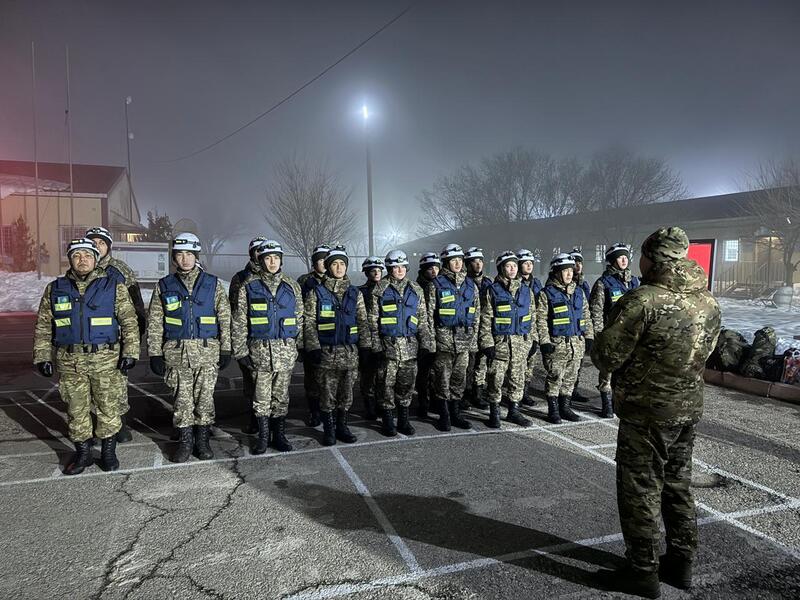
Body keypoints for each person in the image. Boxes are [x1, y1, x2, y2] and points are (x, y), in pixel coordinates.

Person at [592, 227, 721, 598]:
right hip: (687, 410)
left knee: (641, 490)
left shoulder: (643, 301)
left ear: (653, 258)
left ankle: (642, 571)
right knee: (677, 485)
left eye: (643, 256)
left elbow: (606, 356)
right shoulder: (708, 301)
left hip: (647, 413)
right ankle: (681, 562)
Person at [32, 238, 139, 474]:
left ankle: (109, 453)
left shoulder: (113, 286)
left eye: (88, 256)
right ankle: (83, 454)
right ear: (70, 259)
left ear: (96, 259)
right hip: (70, 361)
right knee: (76, 409)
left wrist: (130, 352)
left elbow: (129, 322)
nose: (83, 260)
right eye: (77, 256)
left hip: (105, 360)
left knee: (107, 407)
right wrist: (42, 356)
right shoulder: (56, 289)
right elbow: (43, 326)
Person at [147, 233, 232, 463]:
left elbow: (224, 318)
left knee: (205, 399)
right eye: (180, 254)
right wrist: (154, 352)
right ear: (174, 257)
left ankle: (202, 441)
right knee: (182, 401)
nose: (185, 259)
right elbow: (155, 321)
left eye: (189, 254)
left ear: (196, 256)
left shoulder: (212, 284)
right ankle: (185, 442)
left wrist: (226, 348)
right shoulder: (165, 286)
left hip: (207, 353)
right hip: (177, 354)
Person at [232, 240, 303, 454]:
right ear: (260, 260)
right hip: (259, 353)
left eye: (276, 258)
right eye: (268, 258)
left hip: (284, 353)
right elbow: (239, 321)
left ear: (281, 260)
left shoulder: (292, 286)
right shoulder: (249, 286)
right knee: (261, 399)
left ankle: (279, 436)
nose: (272, 262)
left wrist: (295, 345)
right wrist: (241, 351)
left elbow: (300, 317)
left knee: (281, 397)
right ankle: (263, 438)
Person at [304, 246, 370, 446]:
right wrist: (313, 347)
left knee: (346, 395)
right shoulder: (317, 292)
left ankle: (342, 427)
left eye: (342, 264)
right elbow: (308, 322)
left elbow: (362, 321)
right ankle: (329, 430)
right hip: (327, 354)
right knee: (327, 395)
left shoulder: (354, 293)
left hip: (350, 354)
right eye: (335, 264)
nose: (339, 267)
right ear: (328, 267)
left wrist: (366, 346)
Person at [85, 226, 146, 443]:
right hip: (89, 339)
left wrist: (133, 342)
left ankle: (120, 424)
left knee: (118, 384)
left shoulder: (120, 270)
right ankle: (97, 424)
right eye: (92, 242)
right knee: (90, 386)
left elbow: (137, 307)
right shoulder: (81, 268)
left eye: (101, 243)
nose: (96, 246)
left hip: (115, 339)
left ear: (108, 246)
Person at [368, 250, 433, 436]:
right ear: (389, 268)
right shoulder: (379, 289)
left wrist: (426, 344)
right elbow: (372, 320)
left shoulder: (415, 289)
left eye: (402, 266)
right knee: (386, 385)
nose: (399, 270)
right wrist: (376, 346)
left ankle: (403, 420)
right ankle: (388, 421)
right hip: (388, 348)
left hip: (411, 347)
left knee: (406, 386)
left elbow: (422, 319)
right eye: (395, 267)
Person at [479, 251, 536, 428]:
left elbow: (532, 317)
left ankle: (514, 412)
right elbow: (485, 319)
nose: (512, 269)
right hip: (500, 344)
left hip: (521, 343)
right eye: (508, 266)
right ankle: (494, 413)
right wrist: (487, 343)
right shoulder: (492, 291)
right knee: (495, 379)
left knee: (517, 379)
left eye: (514, 265)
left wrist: (534, 339)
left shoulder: (526, 291)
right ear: (501, 268)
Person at [426, 244, 480, 431]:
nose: (457, 263)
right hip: (444, 341)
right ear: (446, 263)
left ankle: (456, 414)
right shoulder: (437, 285)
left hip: (464, 341)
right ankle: (444, 415)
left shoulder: (470, 285)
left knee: (459, 379)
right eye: (453, 260)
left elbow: (477, 315)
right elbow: (428, 315)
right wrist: (431, 342)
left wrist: (473, 341)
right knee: (442, 379)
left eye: (459, 260)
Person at [536, 253, 594, 424]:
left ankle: (565, 408)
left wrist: (589, 337)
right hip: (557, 345)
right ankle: (553, 411)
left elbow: (586, 315)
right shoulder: (546, 294)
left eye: (570, 270)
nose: (569, 273)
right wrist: (545, 341)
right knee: (555, 378)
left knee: (570, 379)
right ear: (556, 272)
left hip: (576, 344)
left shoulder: (579, 293)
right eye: (565, 271)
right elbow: (540, 321)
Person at [590, 242, 640, 418]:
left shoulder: (635, 281)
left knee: (631, 371)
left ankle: (624, 403)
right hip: (612, 335)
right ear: (612, 260)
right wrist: (599, 335)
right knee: (608, 372)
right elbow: (596, 311)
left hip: (633, 335)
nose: (624, 259)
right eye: (620, 256)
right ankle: (607, 404)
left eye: (626, 256)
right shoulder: (603, 283)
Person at [228, 236, 268, 434]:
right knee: (252, 381)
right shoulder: (241, 278)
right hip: (250, 339)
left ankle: (269, 420)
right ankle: (254, 417)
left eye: (264, 250)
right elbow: (236, 311)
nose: (262, 254)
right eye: (258, 251)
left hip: (269, 339)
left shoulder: (275, 275)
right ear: (252, 254)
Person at [297, 244, 330, 427]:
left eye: (327, 260)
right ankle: (314, 411)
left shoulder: (335, 280)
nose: (324, 264)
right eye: (320, 260)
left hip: (330, 336)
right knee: (312, 378)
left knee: (329, 378)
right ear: (314, 262)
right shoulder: (304, 281)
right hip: (312, 334)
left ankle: (328, 410)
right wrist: (302, 343)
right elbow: (299, 312)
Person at [464, 247, 492, 410]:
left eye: (480, 261)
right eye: (474, 261)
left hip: (485, 328)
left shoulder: (489, 282)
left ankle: (478, 394)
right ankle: (466, 394)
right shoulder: (463, 283)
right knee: (468, 364)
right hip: (470, 329)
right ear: (468, 264)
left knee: (481, 363)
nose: (478, 264)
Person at [414, 252, 441, 418]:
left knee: (436, 372)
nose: (434, 271)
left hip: (439, 334)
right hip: (422, 336)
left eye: (436, 268)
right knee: (423, 373)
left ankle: (435, 401)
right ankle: (423, 402)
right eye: (430, 268)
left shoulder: (442, 286)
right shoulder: (417, 288)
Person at [358, 256, 384, 420]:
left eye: (379, 270)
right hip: (366, 339)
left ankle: (381, 403)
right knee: (368, 374)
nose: (376, 273)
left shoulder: (388, 290)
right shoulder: (360, 291)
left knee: (383, 375)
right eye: (372, 270)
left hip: (383, 338)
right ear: (366, 273)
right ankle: (369, 404)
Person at [517, 248, 542, 407]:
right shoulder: (513, 281)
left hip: (533, 328)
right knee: (516, 365)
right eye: (525, 263)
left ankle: (525, 392)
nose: (529, 266)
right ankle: (515, 394)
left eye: (531, 263)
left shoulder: (536, 283)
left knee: (530, 364)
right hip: (518, 329)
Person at [568, 248, 592, 405]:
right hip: (567, 330)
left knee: (578, 363)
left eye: (580, 262)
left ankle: (573, 389)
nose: (578, 265)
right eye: (575, 262)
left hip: (580, 329)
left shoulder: (584, 285)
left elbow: (588, 308)